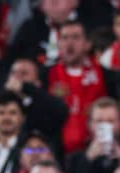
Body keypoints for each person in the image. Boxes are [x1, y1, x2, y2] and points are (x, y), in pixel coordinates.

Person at [48, 19, 108, 154]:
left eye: (75, 37)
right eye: (64, 38)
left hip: (96, 147)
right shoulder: (47, 74)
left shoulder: (104, 74)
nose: (69, 43)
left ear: (87, 44)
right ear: (58, 44)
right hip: (57, 150)